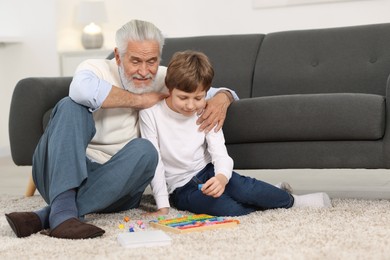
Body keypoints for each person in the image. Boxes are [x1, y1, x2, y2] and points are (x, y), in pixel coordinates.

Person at [4, 20, 238, 239]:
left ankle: (48, 215)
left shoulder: (166, 78)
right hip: (62, 171)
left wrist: (222, 98)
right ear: (118, 55)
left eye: (152, 61)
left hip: (118, 184)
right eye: (135, 61)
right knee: (69, 105)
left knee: (146, 150)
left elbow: (206, 90)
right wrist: (140, 100)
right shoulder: (95, 68)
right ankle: (62, 209)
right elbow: (80, 91)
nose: (145, 71)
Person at [139, 50, 332, 216]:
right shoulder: (150, 113)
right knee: (227, 208)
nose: (191, 105)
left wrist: (221, 177)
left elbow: (220, 154)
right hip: (180, 188)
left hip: (209, 171)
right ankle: (271, 195)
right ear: (169, 88)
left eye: (198, 97)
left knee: (246, 188)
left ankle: (292, 201)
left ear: (207, 92)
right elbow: (154, 163)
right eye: (183, 97)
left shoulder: (206, 110)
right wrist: (163, 205)